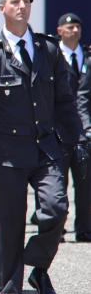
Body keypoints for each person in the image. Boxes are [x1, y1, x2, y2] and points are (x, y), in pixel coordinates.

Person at [0, 0, 84, 294]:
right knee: (9, 226)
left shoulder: (47, 49)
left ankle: (38, 266)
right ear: (2, 8)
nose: (22, 7)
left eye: (26, 2)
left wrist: (78, 140)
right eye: (15, 2)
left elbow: (64, 100)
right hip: (6, 153)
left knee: (56, 209)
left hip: (46, 147)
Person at [57, 13, 91, 242]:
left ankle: (84, 228)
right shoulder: (51, 55)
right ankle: (55, 228)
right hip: (58, 131)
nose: (75, 30)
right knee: (57, 184)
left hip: (85, 132)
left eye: (77, 26)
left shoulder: (88, 57)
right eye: (70, 27)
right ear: (60, 30)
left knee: (86, 183)